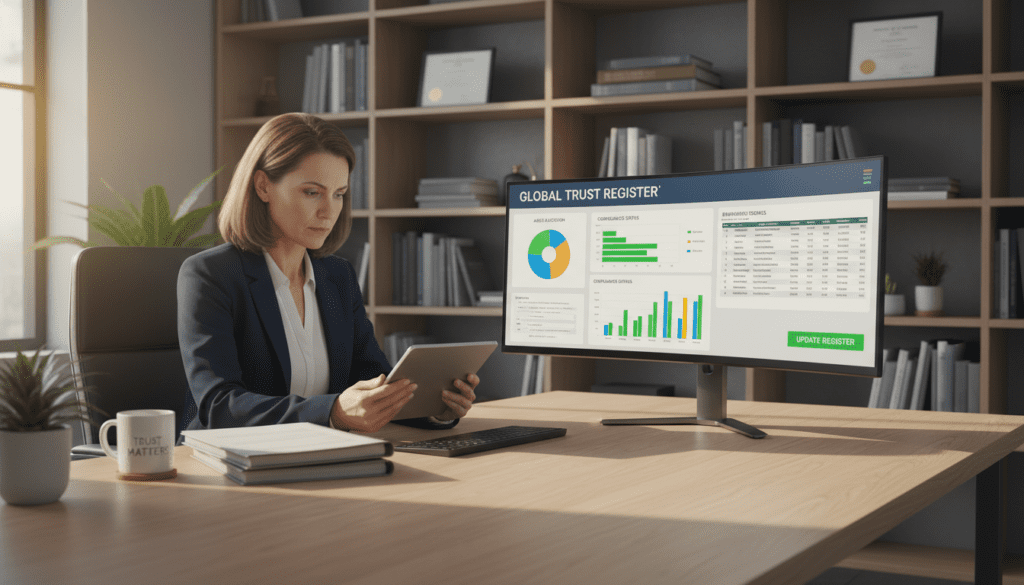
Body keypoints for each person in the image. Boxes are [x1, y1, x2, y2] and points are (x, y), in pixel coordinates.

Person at [177, 113, 478, 433]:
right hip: (230, 466)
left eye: (338, 194)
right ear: (263, 186)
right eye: (312, 192)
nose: (329, 211)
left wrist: (436, 406)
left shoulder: (338, 276)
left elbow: (373, 382)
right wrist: (333, 412)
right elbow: (219, 406)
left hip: (323, 456)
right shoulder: (210, 275)